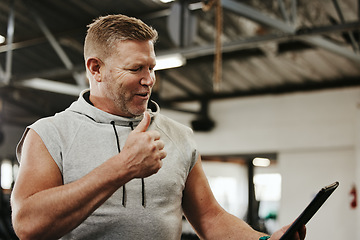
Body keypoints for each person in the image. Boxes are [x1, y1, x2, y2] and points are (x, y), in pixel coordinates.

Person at [10, 14, 306, 240]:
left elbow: (211, 219)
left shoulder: (178, 136)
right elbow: (27, 225)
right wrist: (122, 167)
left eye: (151, 67)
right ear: (95, 68)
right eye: (135, 68)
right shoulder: (49, 134)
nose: (149, 79)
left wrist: (264, 239)